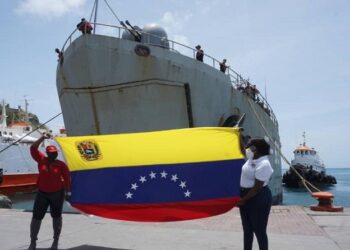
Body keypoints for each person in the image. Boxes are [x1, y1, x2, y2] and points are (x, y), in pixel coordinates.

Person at [28, 132, 71, 250]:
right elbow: (33, 148)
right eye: (51, 153)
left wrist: (68, 193)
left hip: (57, 194)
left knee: (56, 217)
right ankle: (33, 242)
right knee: (36, 217)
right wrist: (42, 137)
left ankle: (55, 241)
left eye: (55, 152)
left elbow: (67, 179)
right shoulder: (41, 159)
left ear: (57, 153)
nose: (53, 154)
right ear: (47, 153)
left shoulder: (61, 165)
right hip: (42, 193)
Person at [237, 138, 273, 250]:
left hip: (258, 197)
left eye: (249, 147)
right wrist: (237, 134)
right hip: (246, 196)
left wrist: (243, 200)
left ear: (256, 149)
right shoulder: (252, 158)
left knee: (259, 230)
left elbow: (257, 188)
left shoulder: (264, 164)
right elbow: (242, 149)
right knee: (247, 229)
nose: (247, 149)